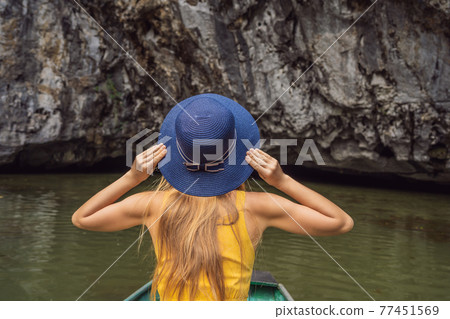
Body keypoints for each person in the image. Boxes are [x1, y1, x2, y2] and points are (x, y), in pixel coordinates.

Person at [72, 93, 353, 301]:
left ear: (174, 153)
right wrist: (282, 180)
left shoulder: (152, 205)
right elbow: (340, 222)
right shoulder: (259, 207)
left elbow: (83, 218)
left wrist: (132, 177)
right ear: (237, 155)